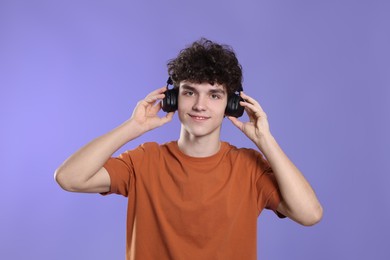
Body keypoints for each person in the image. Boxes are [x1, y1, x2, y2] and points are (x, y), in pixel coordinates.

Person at [55, 38, 323, 260]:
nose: (200, 105)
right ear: (173, 99)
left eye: (214, 95)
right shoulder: (144, 161)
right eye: (189, 92)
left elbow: (309, 214)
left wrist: (266, 140)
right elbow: (69, 177)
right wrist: (132, 126)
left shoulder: (249, 167)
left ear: (232, 104)